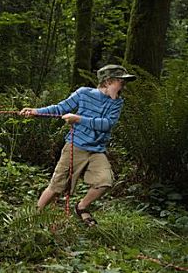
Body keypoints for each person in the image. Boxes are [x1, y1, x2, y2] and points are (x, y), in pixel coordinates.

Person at [20, 64, 136, 226]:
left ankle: (81, 207)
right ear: (107, 82)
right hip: (76, 145)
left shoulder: (117, 103)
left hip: (97, 151)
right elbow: (60, 108)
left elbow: (107, 124)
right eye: (120, 82)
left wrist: (78, 119)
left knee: (105, 181)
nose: (123, 85)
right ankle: (32, 217)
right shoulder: (83, 94)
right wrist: (36, 111)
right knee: (56, 186)